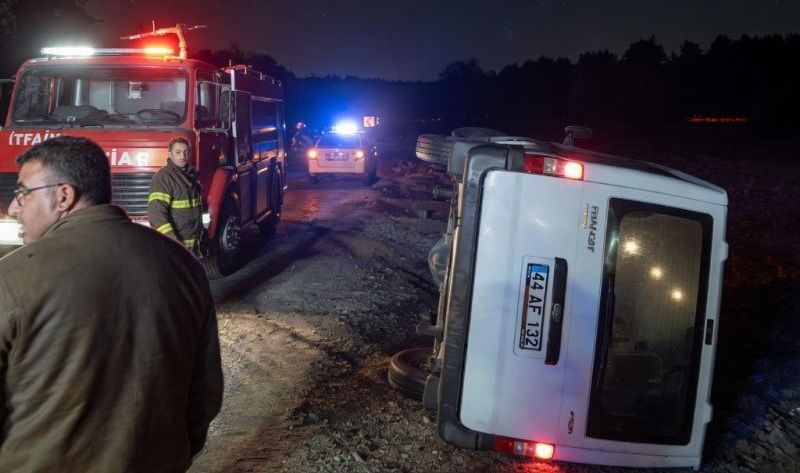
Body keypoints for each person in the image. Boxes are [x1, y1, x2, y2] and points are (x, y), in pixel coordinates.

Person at [0, 136, 223, 472]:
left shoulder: (14, 276)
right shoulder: (185, 266)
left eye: (22, 193)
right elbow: (204, 396)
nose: (14, 207)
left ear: (63, 196)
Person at [148, 136, 204, 254]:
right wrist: (173, 243)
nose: (182, 156)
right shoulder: (163, 177)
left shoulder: (191, 176)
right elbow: (157, 216)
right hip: (175, 249)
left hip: (192, 248)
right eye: (178, 152)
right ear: (170, 153)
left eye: (185, 152)